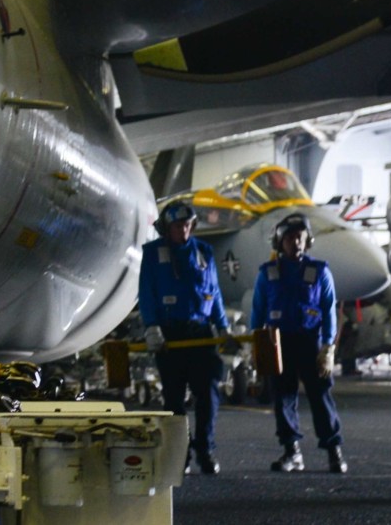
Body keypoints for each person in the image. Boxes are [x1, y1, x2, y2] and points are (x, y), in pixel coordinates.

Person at [136, 198, 231, 476]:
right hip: (170, 337)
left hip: (201, 335)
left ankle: (205, 450)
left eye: (188, 225)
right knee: (174, 400)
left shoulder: (204, 252)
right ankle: (180, 455)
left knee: (208, 396)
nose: (184, 231)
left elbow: (215, 295)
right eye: (178, 226)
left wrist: (223, 328)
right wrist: (151, 326)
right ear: (168, 227)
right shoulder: (153, 253)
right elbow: (147, 292)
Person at [252, 214, 346, 474]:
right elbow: (258, 311)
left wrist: (328, 348)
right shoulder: (267, 274)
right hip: (278, 343)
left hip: (310, 343)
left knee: (320, 397)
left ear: (308, 240)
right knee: (283, 398)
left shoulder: (319, 271)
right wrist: (256, 347)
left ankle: (333, 450)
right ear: (279, 242)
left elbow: (329, 310)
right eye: (291, 238)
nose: (296, 242)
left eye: (301, 237)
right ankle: (291, 452)